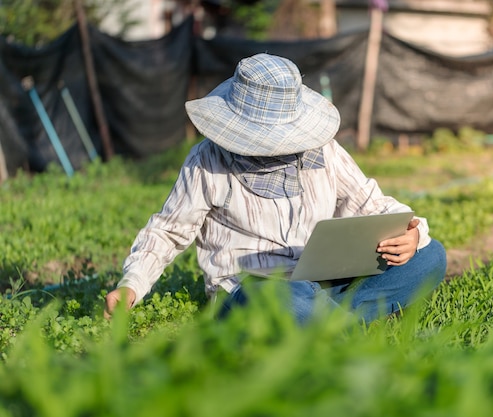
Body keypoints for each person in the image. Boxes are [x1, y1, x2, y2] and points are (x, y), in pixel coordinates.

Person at [104, 53, 447, 324]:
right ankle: (334, 322)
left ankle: (321, 322)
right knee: (280, 298)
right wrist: (132, 284)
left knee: (430, 258)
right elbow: (167, 231)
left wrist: (412, 236)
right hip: (250, 289)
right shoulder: (207, 161)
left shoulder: (323, 152)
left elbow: (373, 204)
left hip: (320, 279)